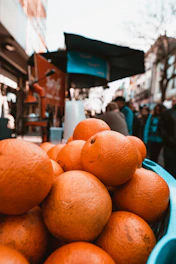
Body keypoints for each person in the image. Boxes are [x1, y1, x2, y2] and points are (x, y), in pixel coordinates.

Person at [159, 97, 176, 178]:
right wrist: (169, 140)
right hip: (170, 146)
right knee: (170, 170)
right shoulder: (167, 113)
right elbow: (161, 129)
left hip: (170, 144)